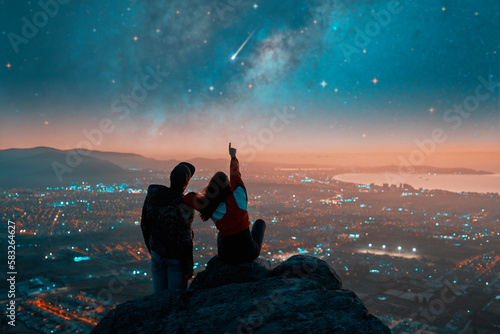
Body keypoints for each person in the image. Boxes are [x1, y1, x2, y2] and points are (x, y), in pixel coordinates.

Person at [183, 143, 266, 264]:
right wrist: (233, 156)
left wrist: (205, 197)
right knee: (260, 223)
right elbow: (236, 176)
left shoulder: (208, 206)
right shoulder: (239, 197)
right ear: (227, 185)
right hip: (249, 253)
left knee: (221, 235)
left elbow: (188, 198)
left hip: (227, 257)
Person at [140, 162, 195, 292]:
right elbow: (185, 238)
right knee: (175, 299)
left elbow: (144, 224)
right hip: (175, 259)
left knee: (159, 298)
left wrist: (151, 247)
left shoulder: (153, 196)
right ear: (186, 184)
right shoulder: (184, 205)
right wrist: (188, 268)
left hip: (156, 253)